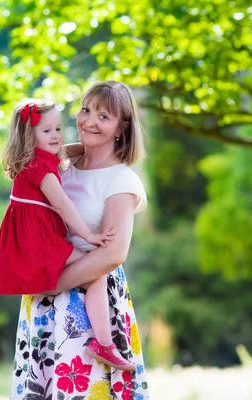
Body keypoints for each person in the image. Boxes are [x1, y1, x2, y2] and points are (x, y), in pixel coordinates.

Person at [10, 81, 150, 399]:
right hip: (45, 295)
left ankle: (104, 346)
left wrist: (55, 282)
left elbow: (113, 253)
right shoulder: (62, 164)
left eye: (104, 117)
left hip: (88, 304)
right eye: (86, 110)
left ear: (122, 127)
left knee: (83, 389)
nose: (89, 121)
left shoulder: (120, 180)